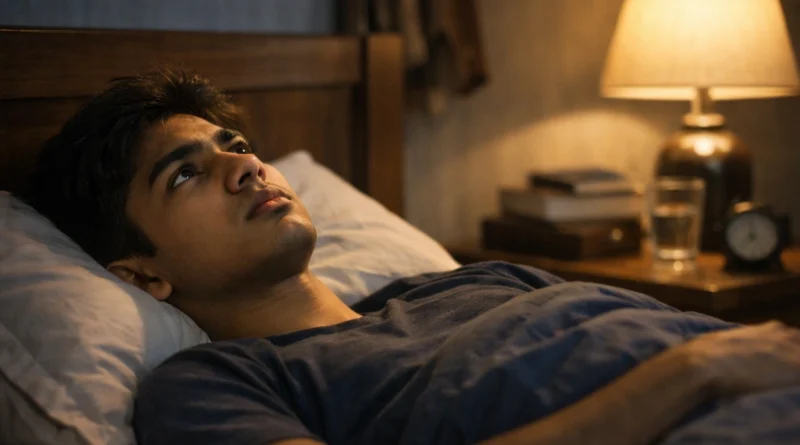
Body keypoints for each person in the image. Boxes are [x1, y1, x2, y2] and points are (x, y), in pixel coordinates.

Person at [22, 69, 800, 445]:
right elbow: (710, 359)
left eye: (239, 145)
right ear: (142, 273)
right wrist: (693, 373)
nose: (246, 167)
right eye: (186, 171)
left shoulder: (471, 280)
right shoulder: (211, 384)